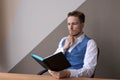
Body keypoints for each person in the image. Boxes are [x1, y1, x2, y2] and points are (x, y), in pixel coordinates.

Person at [48, 10, 98, 79]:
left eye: (74, 24)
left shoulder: (90, 43)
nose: (70, 28)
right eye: (69, 24)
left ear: (82, 25)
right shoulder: (63, 40)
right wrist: (64, 47)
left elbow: (89, 71)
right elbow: (53, 61)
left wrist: (67, 73)